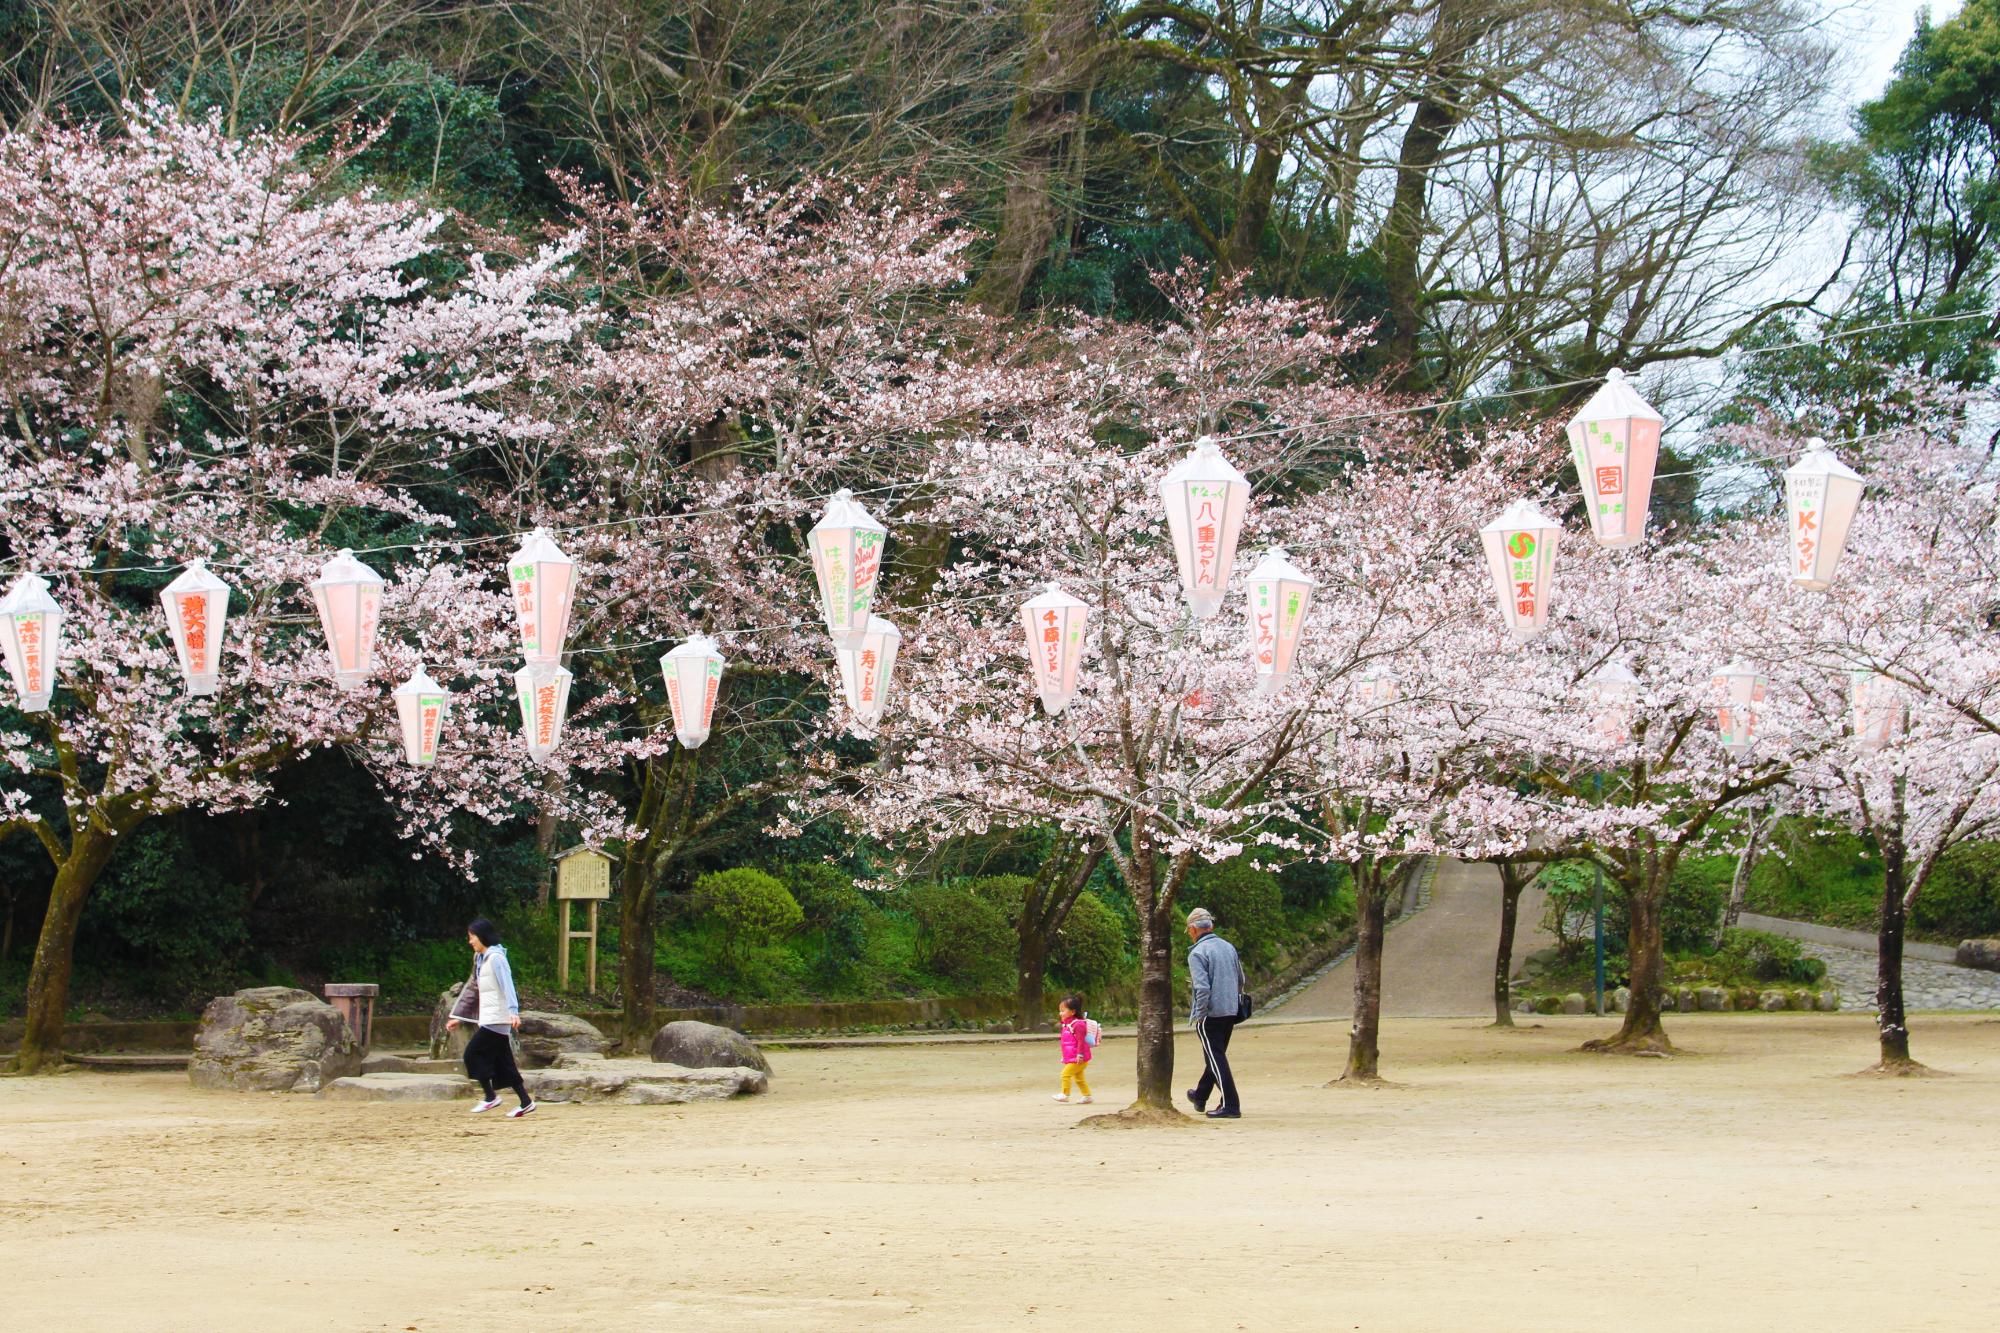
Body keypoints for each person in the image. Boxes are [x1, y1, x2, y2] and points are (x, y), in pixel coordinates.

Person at [445, 918, 535, 1118]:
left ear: (482, 936)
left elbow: (507, 985)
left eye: (472, 937)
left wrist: (513, 1011)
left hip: (498, 1019)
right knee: (505, 1062)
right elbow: (473, 990)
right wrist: (459, 1017)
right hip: (489, 1018)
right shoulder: (480, 959)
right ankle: (525, 1101)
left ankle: (490, 1096)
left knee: (472, 1054)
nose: (470, 942)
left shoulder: (496, 958)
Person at [1183, 906, 1245, 1119]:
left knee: (1216, 1057)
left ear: (1192, 930)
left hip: (1211, 1013)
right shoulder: (1228, 947)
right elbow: (1241, 979)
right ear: (1212, 926)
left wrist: (1199, 1014)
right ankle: (1200, 1095)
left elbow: (1202, 988)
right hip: (1231, 1010)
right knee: (1215, 1055)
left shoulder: (1198, 953)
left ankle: (1231, 1104)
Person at [1051, 993, 1093, 1105]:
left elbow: (1081, 1041)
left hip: (1079, 1058)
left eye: (1063, 1010)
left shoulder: (1078, 1024)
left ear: (1073, 1012)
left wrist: (1080, 1055)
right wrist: (1065, 1057)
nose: (1060, 1013)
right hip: (1074, 1057)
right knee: (1079, 1078)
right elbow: (1067, 1044)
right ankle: (1087, 1095)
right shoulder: (1067, 1025)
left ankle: (1065, 1094)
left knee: (1065, 1074)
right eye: (1060, 1010)